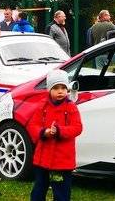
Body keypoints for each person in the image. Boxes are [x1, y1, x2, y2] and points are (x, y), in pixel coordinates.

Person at [29, 70, 81, 201]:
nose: (60, 91)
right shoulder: (42, 106)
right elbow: (33, 125)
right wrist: (44, 132)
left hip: (62, 162)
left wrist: (60, 131)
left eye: (63, 88)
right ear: (49, 89)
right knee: (38, 190)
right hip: (42, 159)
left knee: (61, 192)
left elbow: (77, 128)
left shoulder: (71, 107)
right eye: (56, 88)